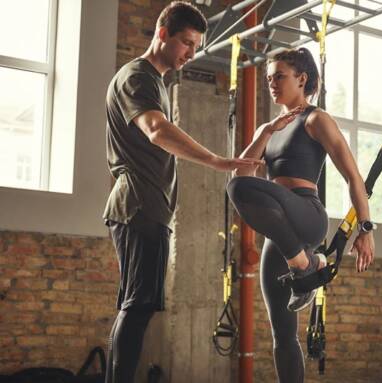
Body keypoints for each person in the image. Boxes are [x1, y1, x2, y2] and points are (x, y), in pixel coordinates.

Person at [102, 2, 262, 382]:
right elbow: (156, 130)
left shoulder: (154, 80)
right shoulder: (138, 76)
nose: (191, 53)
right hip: (139, 206)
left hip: (144, 206)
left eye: (195, 46)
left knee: (134, 306)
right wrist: (216, 160)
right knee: (137, 307)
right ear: (162, 33)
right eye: (186, 43)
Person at [226, 47, 375, 383]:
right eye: (268, 79)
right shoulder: (270, 127)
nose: (272, 84)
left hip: (306, 214)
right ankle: (304, 263)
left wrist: (365, 228)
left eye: (279, 76)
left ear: (302, 79)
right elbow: (241, 177)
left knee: (239, 190)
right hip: (280, 235)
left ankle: (306, 263)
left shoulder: (315, 119)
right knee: (283, 334)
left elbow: (353, 176)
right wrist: (266, 131)